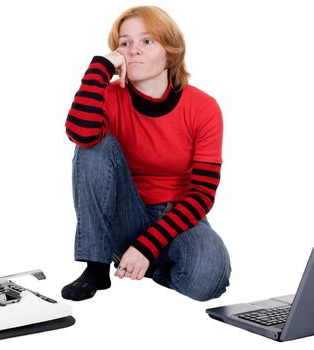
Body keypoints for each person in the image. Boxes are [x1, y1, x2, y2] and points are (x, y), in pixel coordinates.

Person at [62, 5, 231, 302]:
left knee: (208, 279)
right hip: (122, 213)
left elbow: (203, 194)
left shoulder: (203, 108)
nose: (133, 50)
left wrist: (147, 246)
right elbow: (80, 134)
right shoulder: (109, 97)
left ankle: (147, 262)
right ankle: (97, 266)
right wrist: (100, 67)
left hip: (177, 216)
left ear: (170, 50)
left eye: (146, 41)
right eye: (124, 43)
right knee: (93, 145)